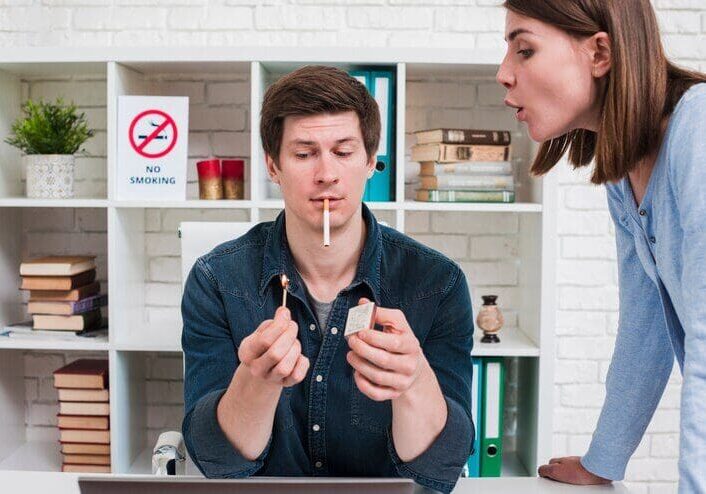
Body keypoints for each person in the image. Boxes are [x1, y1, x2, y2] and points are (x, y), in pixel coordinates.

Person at [181, 65, 474, 494]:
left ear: (371, 160)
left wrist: (412, 383)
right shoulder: (216, 280)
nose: (326, 175)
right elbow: (217, 462)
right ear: (273, 166)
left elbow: (440, 469)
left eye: (343, 151)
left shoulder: (438, 283)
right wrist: (255, 382)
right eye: (303, 154)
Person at [496, 1, 706, 491]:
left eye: (524, 50)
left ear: (600, 53)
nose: (504, 73)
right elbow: (645, 322)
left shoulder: (698, 134)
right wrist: (603, 461)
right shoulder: (627, 170)